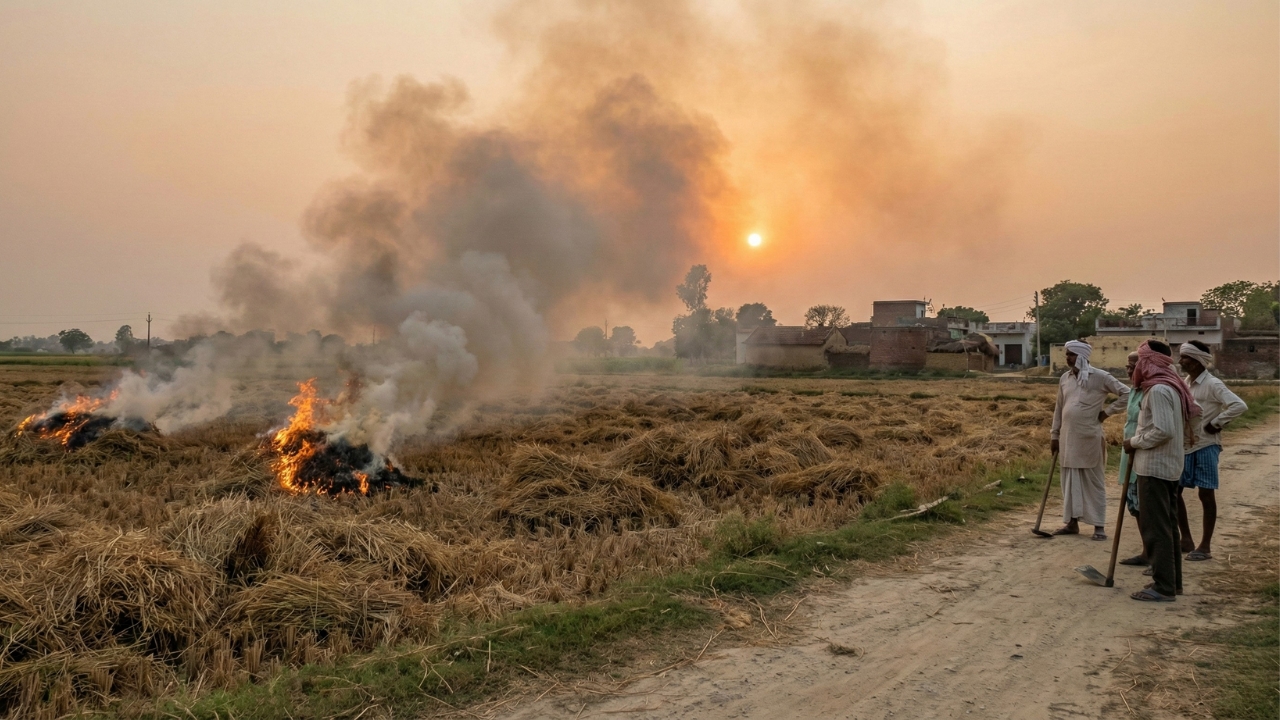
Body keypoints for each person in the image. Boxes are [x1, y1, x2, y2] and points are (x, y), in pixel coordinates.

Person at [1125, 340, 1200, 602]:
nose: (1136, 367)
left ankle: (1163, 586)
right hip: (1166, 466)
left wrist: (1133, 442)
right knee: (1167, 527)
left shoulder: (1158, 390)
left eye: (1140, 361)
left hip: (1155, 468)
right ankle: (1172, 583)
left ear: (1149, 362)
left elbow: (1163, 430)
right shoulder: (1171, 387)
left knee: (1156, 528)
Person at [1050, 340, 1130, 540]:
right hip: (1068, 437)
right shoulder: (1065, 378)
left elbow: (1127, 393)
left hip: (1089, 437)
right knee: (1070, 481)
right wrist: (1054, 434)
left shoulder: (1100, 377)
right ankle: (1072, 523)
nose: (1067, 358)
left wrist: (1107, 413)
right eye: (1066, 354)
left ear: (1082, 356)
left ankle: (1099, 526)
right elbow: (1059, 408)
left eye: (1071, 354)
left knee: (1093, 481)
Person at [1175, 340, 1247, 561]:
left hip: (1207, 445)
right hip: (1187, 445)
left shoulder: (1213, 384)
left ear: (1197, 361)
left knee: (1206, 494)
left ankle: (1205, 546)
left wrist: (1216, 423)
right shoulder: (1186, 382)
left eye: (1185, 357)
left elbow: (1239, 405)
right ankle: (1185, 539)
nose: (1181, 361)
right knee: (1175, 491)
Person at [1117, 351, 1150, 567]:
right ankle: (1147, 551)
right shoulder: (1134, 390)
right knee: (1135, 505)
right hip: (1129, 450)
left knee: (1145, 505)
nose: (1129, 370)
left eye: (1133, 366)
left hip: (1143, 451)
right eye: (1127, 366)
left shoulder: (1151, 391)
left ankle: (1152, 552)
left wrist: (1136, 444)